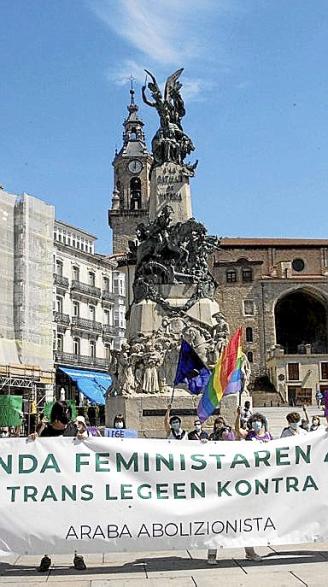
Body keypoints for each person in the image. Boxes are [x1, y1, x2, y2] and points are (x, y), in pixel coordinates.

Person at [31, 401, 87, 572]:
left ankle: (78, 555)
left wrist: (84, 439)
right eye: (61, 419)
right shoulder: (44, 431)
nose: (63, 423)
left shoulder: (72, 429)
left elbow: (86, 447)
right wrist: (32, 440)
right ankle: (46, 556)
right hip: (49, 485)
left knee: (74, 521)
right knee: (48, 522)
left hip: (70, 485)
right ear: (55, 418)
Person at [207, 412, 262, 565]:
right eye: (225, 436)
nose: (228, 437)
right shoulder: (212, 452)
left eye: (229, 436)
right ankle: (212, 554)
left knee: (243, 523)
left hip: (237, 492)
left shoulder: (237, 451)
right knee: (217, 524)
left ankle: (249, 552)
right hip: (219, 493)